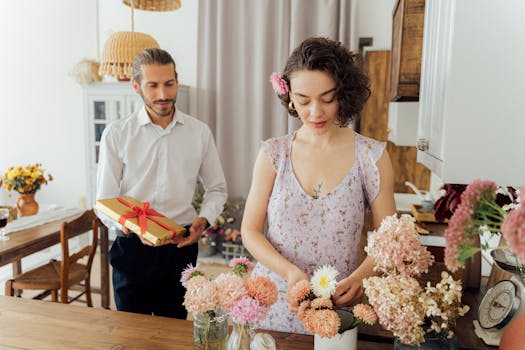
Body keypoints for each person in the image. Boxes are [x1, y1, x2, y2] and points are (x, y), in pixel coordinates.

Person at [241, 37, 396, 333]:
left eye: (327, 98)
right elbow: (249, 231)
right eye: (303, 100)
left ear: (344, 93)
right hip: (273, 304)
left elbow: (390, 237)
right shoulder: (273, 154)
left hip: (336, 307)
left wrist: (361, 276)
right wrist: (290, 273)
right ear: (288, 97)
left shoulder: (371, 156)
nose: (315, 112)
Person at [96, 48, 227, 319]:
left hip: (179, 247)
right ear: (136, 86)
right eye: (152, 86)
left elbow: (217, 188)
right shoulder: (117, 134)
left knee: (173, 334)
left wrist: (203, 220)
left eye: (169, 84)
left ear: (177, 81)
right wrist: (134, 227)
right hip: (132, 248)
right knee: (132, 336)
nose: (163, 95)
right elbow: (104, 204)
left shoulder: (199, 132)